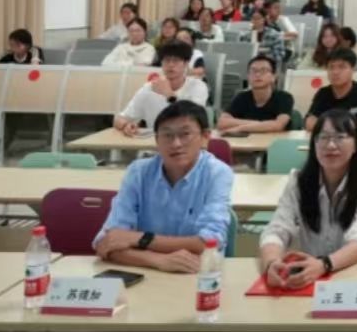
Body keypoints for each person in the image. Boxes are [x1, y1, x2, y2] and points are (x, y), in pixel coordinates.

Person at [94, 101, 233, 272]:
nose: (176, 144)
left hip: (197, 275)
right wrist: (159, 260)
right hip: (146, 272)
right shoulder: (138, 172)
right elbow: (106, 243)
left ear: (205, 137)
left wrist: (140, 239)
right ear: (157, 140)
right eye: (167, 135)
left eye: (185, 134)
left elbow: (210, 243)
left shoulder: (217, 173)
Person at [260, 110, 357, 286]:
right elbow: (276, 230)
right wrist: (271, 263)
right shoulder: (298, 181)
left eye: (340, 137)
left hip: (356, 273)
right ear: (314, 144)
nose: (331, 145)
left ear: (356, 145)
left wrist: (324, 264)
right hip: (312, 275)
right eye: (323, 137)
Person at [114, 41, 209, 135]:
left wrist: (169, 95)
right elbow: (119, 119)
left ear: (186, 64)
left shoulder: (198, 86)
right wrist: (126, 125)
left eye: (175, 60)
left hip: (187, 140)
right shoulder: (150, 87)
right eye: (167, 60)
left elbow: (195, 119)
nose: (171, 65)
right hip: (157, 142)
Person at [305, 49, 357, 132]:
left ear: (353, 70)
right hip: (330, 138)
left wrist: (331, 126)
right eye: (331, 67)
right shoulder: (323, 93)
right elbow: (309, 123)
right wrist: (344, 126)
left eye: (342, 67)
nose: (335, 72)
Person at [217, 56, 294, 134]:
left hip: (275, 140)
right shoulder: (241, 97)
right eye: (253, 71)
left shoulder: (284, 97)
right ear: (248, 76)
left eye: (263, 71)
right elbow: (222, 123)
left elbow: (278, 125)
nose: (257, 74)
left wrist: (240, 128)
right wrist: (260, 124)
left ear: (273, 77)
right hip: (247, 141)